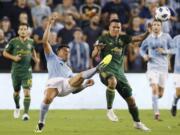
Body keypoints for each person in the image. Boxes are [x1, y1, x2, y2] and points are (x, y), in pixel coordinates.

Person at [35, 17, 112, 133]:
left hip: (66, 85)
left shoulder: (68, 69)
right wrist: (49, 25)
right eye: (65, 51)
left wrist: (85, 85)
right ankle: (41, 122)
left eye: (69, 52)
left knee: (80, 75)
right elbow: (45, 42)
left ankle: (97, 69)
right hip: (53, 83)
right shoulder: (52, 57)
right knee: (48, 98)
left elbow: (74, 90)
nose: (67, 53)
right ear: (58, 52)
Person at [92, 19, 150, 131]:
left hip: (119, 73)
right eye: (114, 27)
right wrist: (98, 50)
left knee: (131, 100)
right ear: (109, 27)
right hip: (105, 70)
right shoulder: (102, 38)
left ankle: (137, 122)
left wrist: (148, 32)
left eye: (118, 27)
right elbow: (93, 55)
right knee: (112, 81)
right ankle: (109, 110)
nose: (116, 29)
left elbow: (139, 38)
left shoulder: (123, 38)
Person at [3, 23, 39, 120]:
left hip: (27, 72)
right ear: (18, 31)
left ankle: (26, 114)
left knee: (27, 92)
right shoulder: (13, 41)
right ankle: (17, 107)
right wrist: (13, 57)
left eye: (25, 29)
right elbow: (4, 53)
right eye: (21, 29)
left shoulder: (31, 41)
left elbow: (33, 50)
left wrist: (36, 58)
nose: (23, 31)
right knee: (16, 92)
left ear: (28, 31)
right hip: (16, 72)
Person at [140, 19, 173, 120]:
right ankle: (156, 113)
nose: (156, 26)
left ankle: (154, 101)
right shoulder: (148, 38)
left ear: (161, 27)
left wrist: (165, 51)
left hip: (163, 68)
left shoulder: (166, 37)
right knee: (154, 88)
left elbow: (173, 49)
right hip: (152, 68)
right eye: (154, 25)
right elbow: (141, 49)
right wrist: (145, 56)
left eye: (158, 25)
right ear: (152, 26)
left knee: (160, 94)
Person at [171, 35, 180, 116]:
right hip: (178, 70)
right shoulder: (176, 38)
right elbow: (170, 50)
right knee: (178, 92)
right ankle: (174, 104)